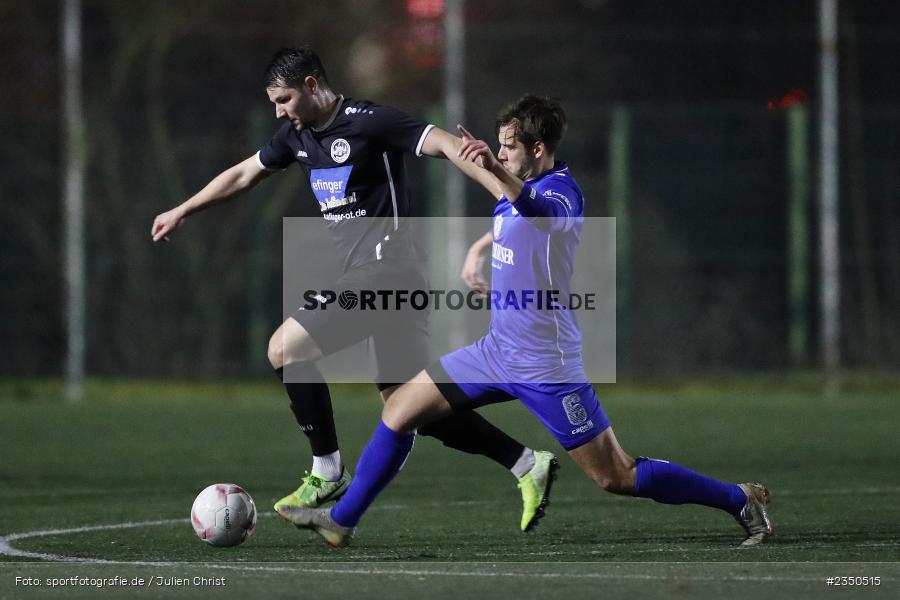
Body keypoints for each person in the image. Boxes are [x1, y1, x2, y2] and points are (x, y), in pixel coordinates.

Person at [279, 95, 774, 548]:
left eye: (508, 146)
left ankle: (737, 498)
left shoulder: (562, 193)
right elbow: (516, 221)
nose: (500, 152)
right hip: (495, 351)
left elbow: (536, 213)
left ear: (538, 148)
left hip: (545, 363)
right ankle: (341, 521)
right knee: (399, 409)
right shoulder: (521, 185)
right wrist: (479, 247)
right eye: (498, 144)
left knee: (615, 476)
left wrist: (496, 171)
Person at [150, 47, 557, 532]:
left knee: (284, 347)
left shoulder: (370, 121)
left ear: (310, 84)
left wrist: (504, 193)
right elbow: (244, 173)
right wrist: (182, 209)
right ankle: (526, 463)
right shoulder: (295, 137)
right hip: (388, 281)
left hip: (387, 273)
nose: (278, 111)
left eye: (283, 99)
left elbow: (448, 145)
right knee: (409, 409)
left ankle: (327, 469)